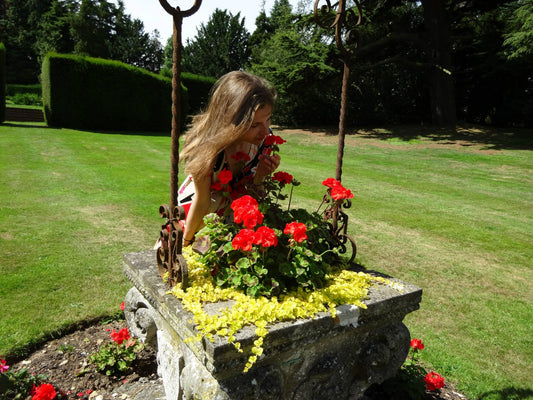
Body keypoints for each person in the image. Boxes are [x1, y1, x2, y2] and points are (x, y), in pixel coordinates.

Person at [177, 71, 281, 247]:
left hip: (233, 220)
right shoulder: (207, 149)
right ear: (230, 123)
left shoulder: (264, 142)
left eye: (268, 119)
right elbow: (201, 202)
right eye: (254, 125)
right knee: (189, 258)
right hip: (198, 215)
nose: (265, 131)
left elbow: (255, 191)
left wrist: (261, 175)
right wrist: (185, 242)